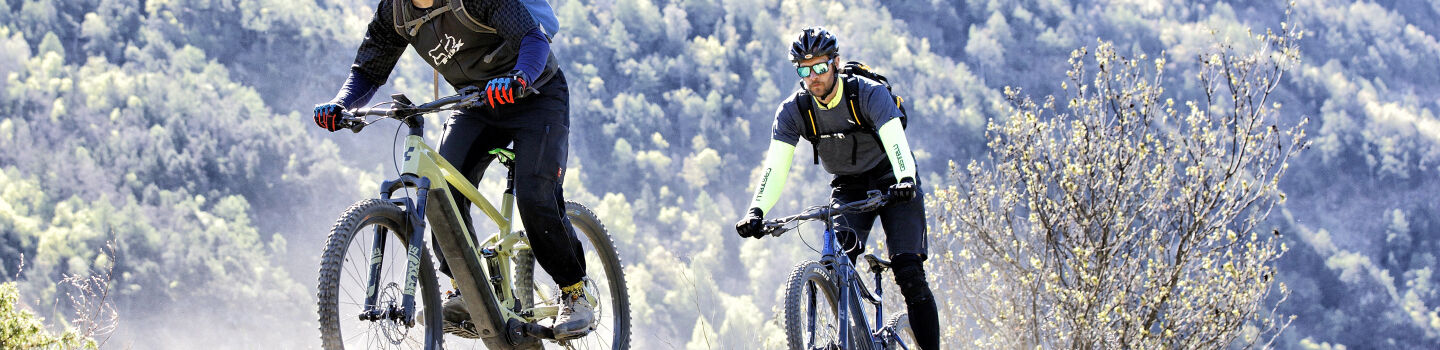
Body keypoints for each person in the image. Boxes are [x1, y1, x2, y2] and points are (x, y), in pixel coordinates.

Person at [311, 0, 594, 340]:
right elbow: (368, 70)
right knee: (441, 191)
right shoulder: (395, 12)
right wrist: (342, 103)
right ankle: (467, 290)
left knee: (535, 195)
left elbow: (532, 39)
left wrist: (518, 78)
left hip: (535, 93)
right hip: (475, 103)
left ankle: (574, 292)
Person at [734, 27, 941, 350]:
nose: (813, 76)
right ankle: (850, 340)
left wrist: (905, 179)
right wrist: (756, 210)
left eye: (819, 66)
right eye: (804, 70)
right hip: (849, 185)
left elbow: (896, 142)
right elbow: (775, 166)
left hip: (893, 179)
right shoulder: (795, 111)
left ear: (835, 63)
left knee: (909, 272)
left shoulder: (868, 94)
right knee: (836, 263)